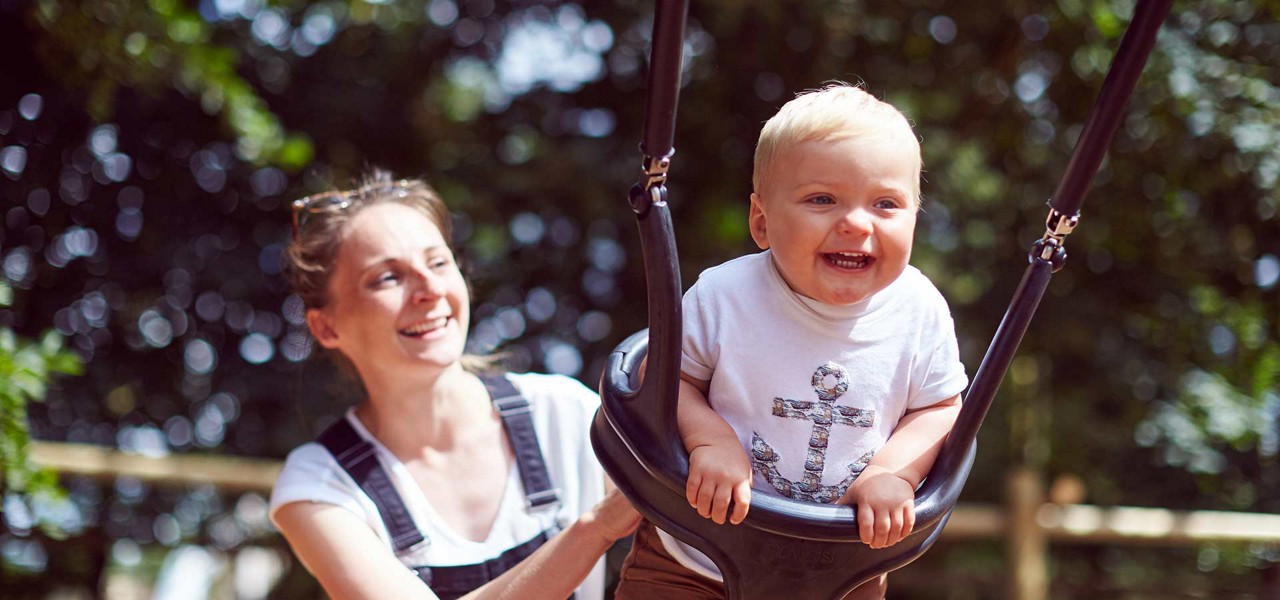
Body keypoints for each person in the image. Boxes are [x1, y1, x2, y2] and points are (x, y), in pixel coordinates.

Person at [614, 83, 969, 599]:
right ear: (762, 221)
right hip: (693, 555)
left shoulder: (919, 310)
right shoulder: (726, 295)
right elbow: (665, 380)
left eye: (886, 203)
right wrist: (710, 440)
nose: (855, 223)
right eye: (822, 199)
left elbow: (941, 408)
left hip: (841, 567)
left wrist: (891, 474)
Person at [269, 172, 641, 600]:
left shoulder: (567, 413)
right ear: (327, 326)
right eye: (387, 277)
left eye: (438, 262)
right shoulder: (319, 485)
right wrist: (596, 528)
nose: (429, 289)